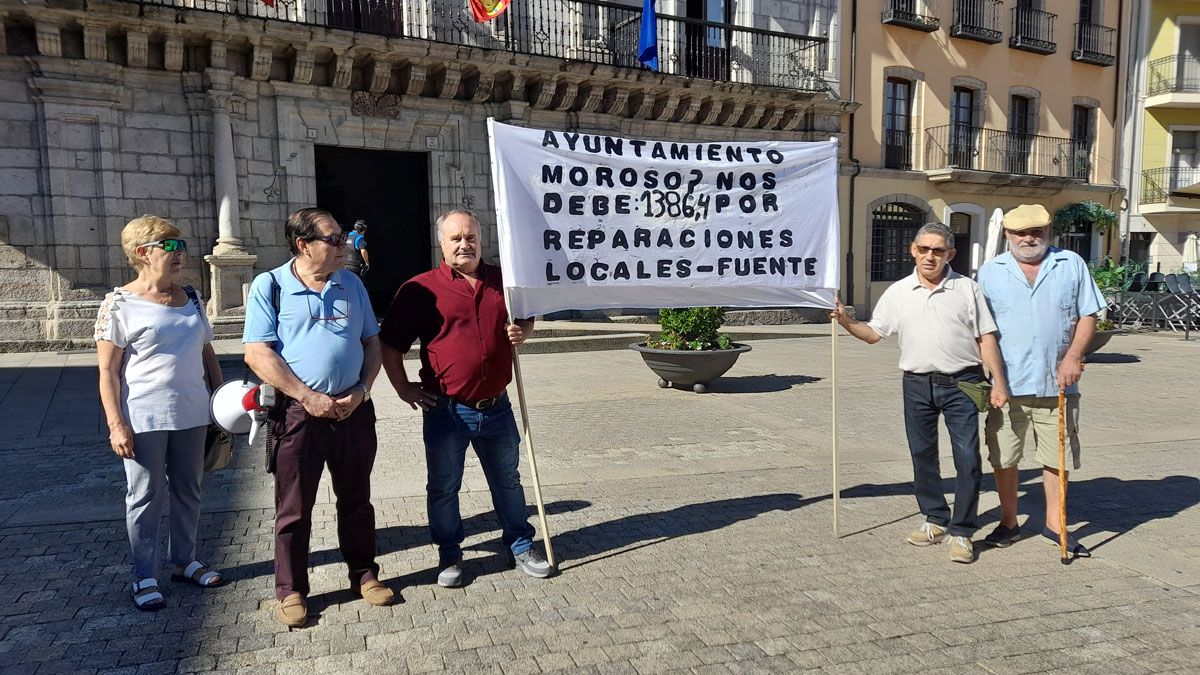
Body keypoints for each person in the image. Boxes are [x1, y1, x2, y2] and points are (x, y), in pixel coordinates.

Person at [379, 209, 553, 587]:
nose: (464, 244)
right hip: (446, 412)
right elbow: (389, 345)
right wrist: (402, 387)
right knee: (444, 487)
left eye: (471, 237)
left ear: (481, 239)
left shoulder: (503, 283)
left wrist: (522, 330)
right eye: (456, 238)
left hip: (497, 408)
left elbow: (524, 316)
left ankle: (521, 545)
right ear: (441, 243)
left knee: (508, 481)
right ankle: (450, 555)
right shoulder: (419, 289)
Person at [243, 207, 393, 628]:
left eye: (343, 236)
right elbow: (257, 353)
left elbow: (371, 344)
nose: (344, 244)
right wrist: (307, 396)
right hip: (298, 415)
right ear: (303, 244)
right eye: (333, 238)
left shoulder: (351, 284)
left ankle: (364, 574)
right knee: (294, 507)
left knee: (357, 499)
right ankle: (291, 589)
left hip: (354, 411)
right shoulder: (269, 285)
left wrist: (362, 391)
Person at [831, 223, 1007, 564]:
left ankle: (962, 532)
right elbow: (873, 334)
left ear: (950, 255)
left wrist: (999, 383)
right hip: (916, 383)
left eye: (938, 251)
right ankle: (936, 519)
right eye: (924, 249)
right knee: (922, 455)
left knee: (967, 458)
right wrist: (844, 320)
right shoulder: (898, 292)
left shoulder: (968, 289)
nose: (930, 256)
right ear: (913, 250)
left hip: (964, 383)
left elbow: (986, 338)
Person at [95, 215, 224, 611]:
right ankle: (144, 574)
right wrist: (117, 424)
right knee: (145, 496)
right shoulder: (119, 304)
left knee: (189, 490)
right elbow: (108, 371)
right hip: (144, 418)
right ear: (142, 253)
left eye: (181, 246)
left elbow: (206, 352)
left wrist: (221, 400)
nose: (180, 254)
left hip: (193, 413)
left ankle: (184, 561)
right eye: (170, 246)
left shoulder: (193, 298)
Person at [976, 204, 1106, 558]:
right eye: (1020, 232)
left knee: (1056, 457)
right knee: (1004, 457)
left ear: (1049, 232)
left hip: (1058, 382)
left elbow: (1088, 314)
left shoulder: (1071, 264)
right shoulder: (989, 272)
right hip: (1008, 385)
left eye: (1037, 231)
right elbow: (980, 330)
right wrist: (992, 378)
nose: (1029, 238)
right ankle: (1008, 521)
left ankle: (1055, 524)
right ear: (1007, 236)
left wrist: (1074, 356)